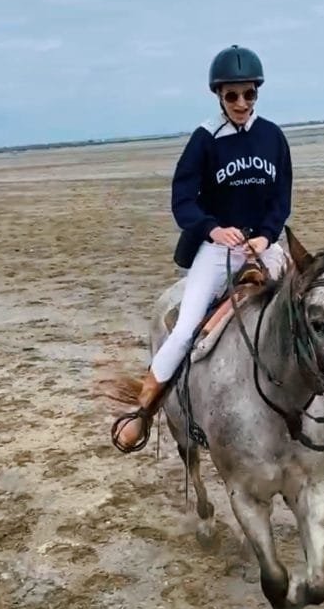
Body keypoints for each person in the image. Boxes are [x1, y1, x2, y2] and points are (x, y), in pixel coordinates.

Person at [112, 44, 292, 452]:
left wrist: (266, 235)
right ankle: (142, 414)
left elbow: (282, 199)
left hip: (264, 246)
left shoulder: (273, 137)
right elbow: (183, 200)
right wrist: (213, 230)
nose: (242, 103)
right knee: (185, 330)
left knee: (306, 313)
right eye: (232, 95)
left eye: (249, 94)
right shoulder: (204, 140)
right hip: (218, 250)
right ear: (219, 96)